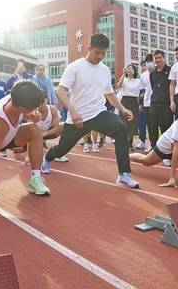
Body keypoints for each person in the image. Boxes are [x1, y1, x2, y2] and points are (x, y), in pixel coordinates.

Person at [42, 33, 140, 188]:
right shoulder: (74, 68)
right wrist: (73, 111)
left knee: (121, 128)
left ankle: (124, 174)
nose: (100, 56)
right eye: (97, 52)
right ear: (89, 48)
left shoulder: (105, 70)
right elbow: (60, 91)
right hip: (78, 117)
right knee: (62, 149)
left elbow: (109, 94)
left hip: (99, 113)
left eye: (103, 53)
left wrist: (122, 108)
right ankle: (47, 158)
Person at [149, 50, 173, 151]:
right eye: (156, 58)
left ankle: (165, 149)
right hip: (154, 104)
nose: (158, 60)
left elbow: (172, 86)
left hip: (166, 105)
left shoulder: (170, 70)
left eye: (160, 57)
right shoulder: (152, 73)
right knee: (153, 127)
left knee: (166, 128)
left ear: (164, 58)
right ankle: (153, 147)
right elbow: (152, 87)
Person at [116, 64, 141, 150]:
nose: (130, 70)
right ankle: (124, 142)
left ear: (134, 71)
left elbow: (140, 93)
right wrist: (123, 74)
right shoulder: (124, 80)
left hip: (134, 101)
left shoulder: (138, 81)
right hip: (124, 101)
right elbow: (118, 85)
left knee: (132, 123)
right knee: (123, 122)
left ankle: (130, 143)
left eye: (131, 69)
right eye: (128, 68)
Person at [137, 56, 155, 150]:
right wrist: (141, 104)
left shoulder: (159, 72)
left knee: (159, 125)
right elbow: (142, 91)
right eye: (147, 61)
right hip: (147, 103)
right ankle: (152, 144)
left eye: (151, 61)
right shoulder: (143, 75)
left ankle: (161, 146)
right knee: (150, 125)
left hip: (159, 103)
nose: (149, 63)